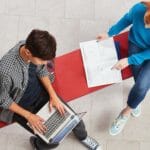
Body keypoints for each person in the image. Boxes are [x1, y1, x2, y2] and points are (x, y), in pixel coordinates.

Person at [0, 29, 101, 150]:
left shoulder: (29, 46)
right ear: (28, 52)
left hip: (42, 94)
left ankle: (83, 137)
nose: (46, 63)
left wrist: (53, 95)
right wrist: (29, 116)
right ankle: (37, 145)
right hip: (23, 107)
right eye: (43, 60)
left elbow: (42, 70)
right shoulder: (5, 71)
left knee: (74, 120)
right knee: (51, 142)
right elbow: (3, 99)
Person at [97, 1, 150, 136]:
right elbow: (127, 19)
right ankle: (136, 101)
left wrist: (129, 60)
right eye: (146, 20)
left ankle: (126, 111)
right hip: (136, 44)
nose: (145, 25)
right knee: (139, 80)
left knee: (141, 86)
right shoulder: (139, 8)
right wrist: (110, 33)